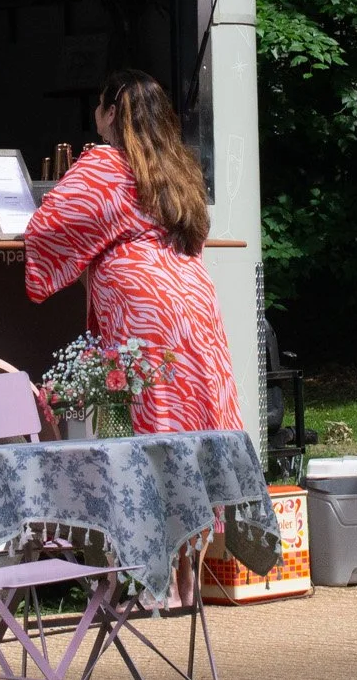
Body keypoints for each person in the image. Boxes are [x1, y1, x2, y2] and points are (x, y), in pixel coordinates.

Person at [24, 69, 245, 434]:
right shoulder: (178, 166)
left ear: (111, 113)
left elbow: (48, 226)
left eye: (99, 104)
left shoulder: (104, 164)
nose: (96, 112)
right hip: (196, 298)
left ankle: (154, 489)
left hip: (142, 306)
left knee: (153, 415)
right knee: (198, 401)